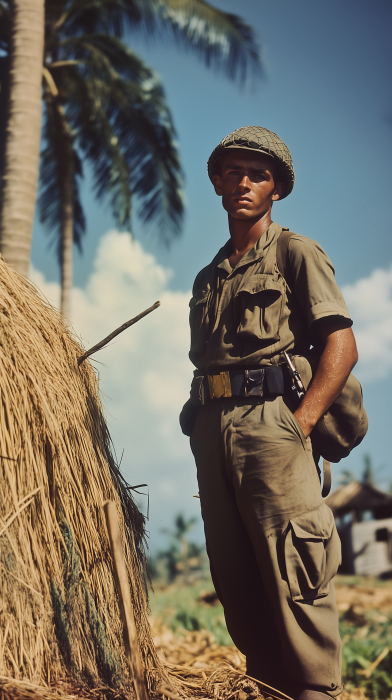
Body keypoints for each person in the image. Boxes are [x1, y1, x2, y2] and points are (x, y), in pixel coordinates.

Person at [182, 126, 359, 700]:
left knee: (296, 569)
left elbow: (341, 345)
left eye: (255, 174)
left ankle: (313, 691)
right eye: (231, 172)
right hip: (214, 433)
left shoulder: (294, 252)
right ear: (216, 183)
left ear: (275, 188)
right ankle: (268, 685)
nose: (242, 183)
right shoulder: (208, 277)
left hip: (273, 426)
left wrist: (300, 423)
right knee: (237, 579)